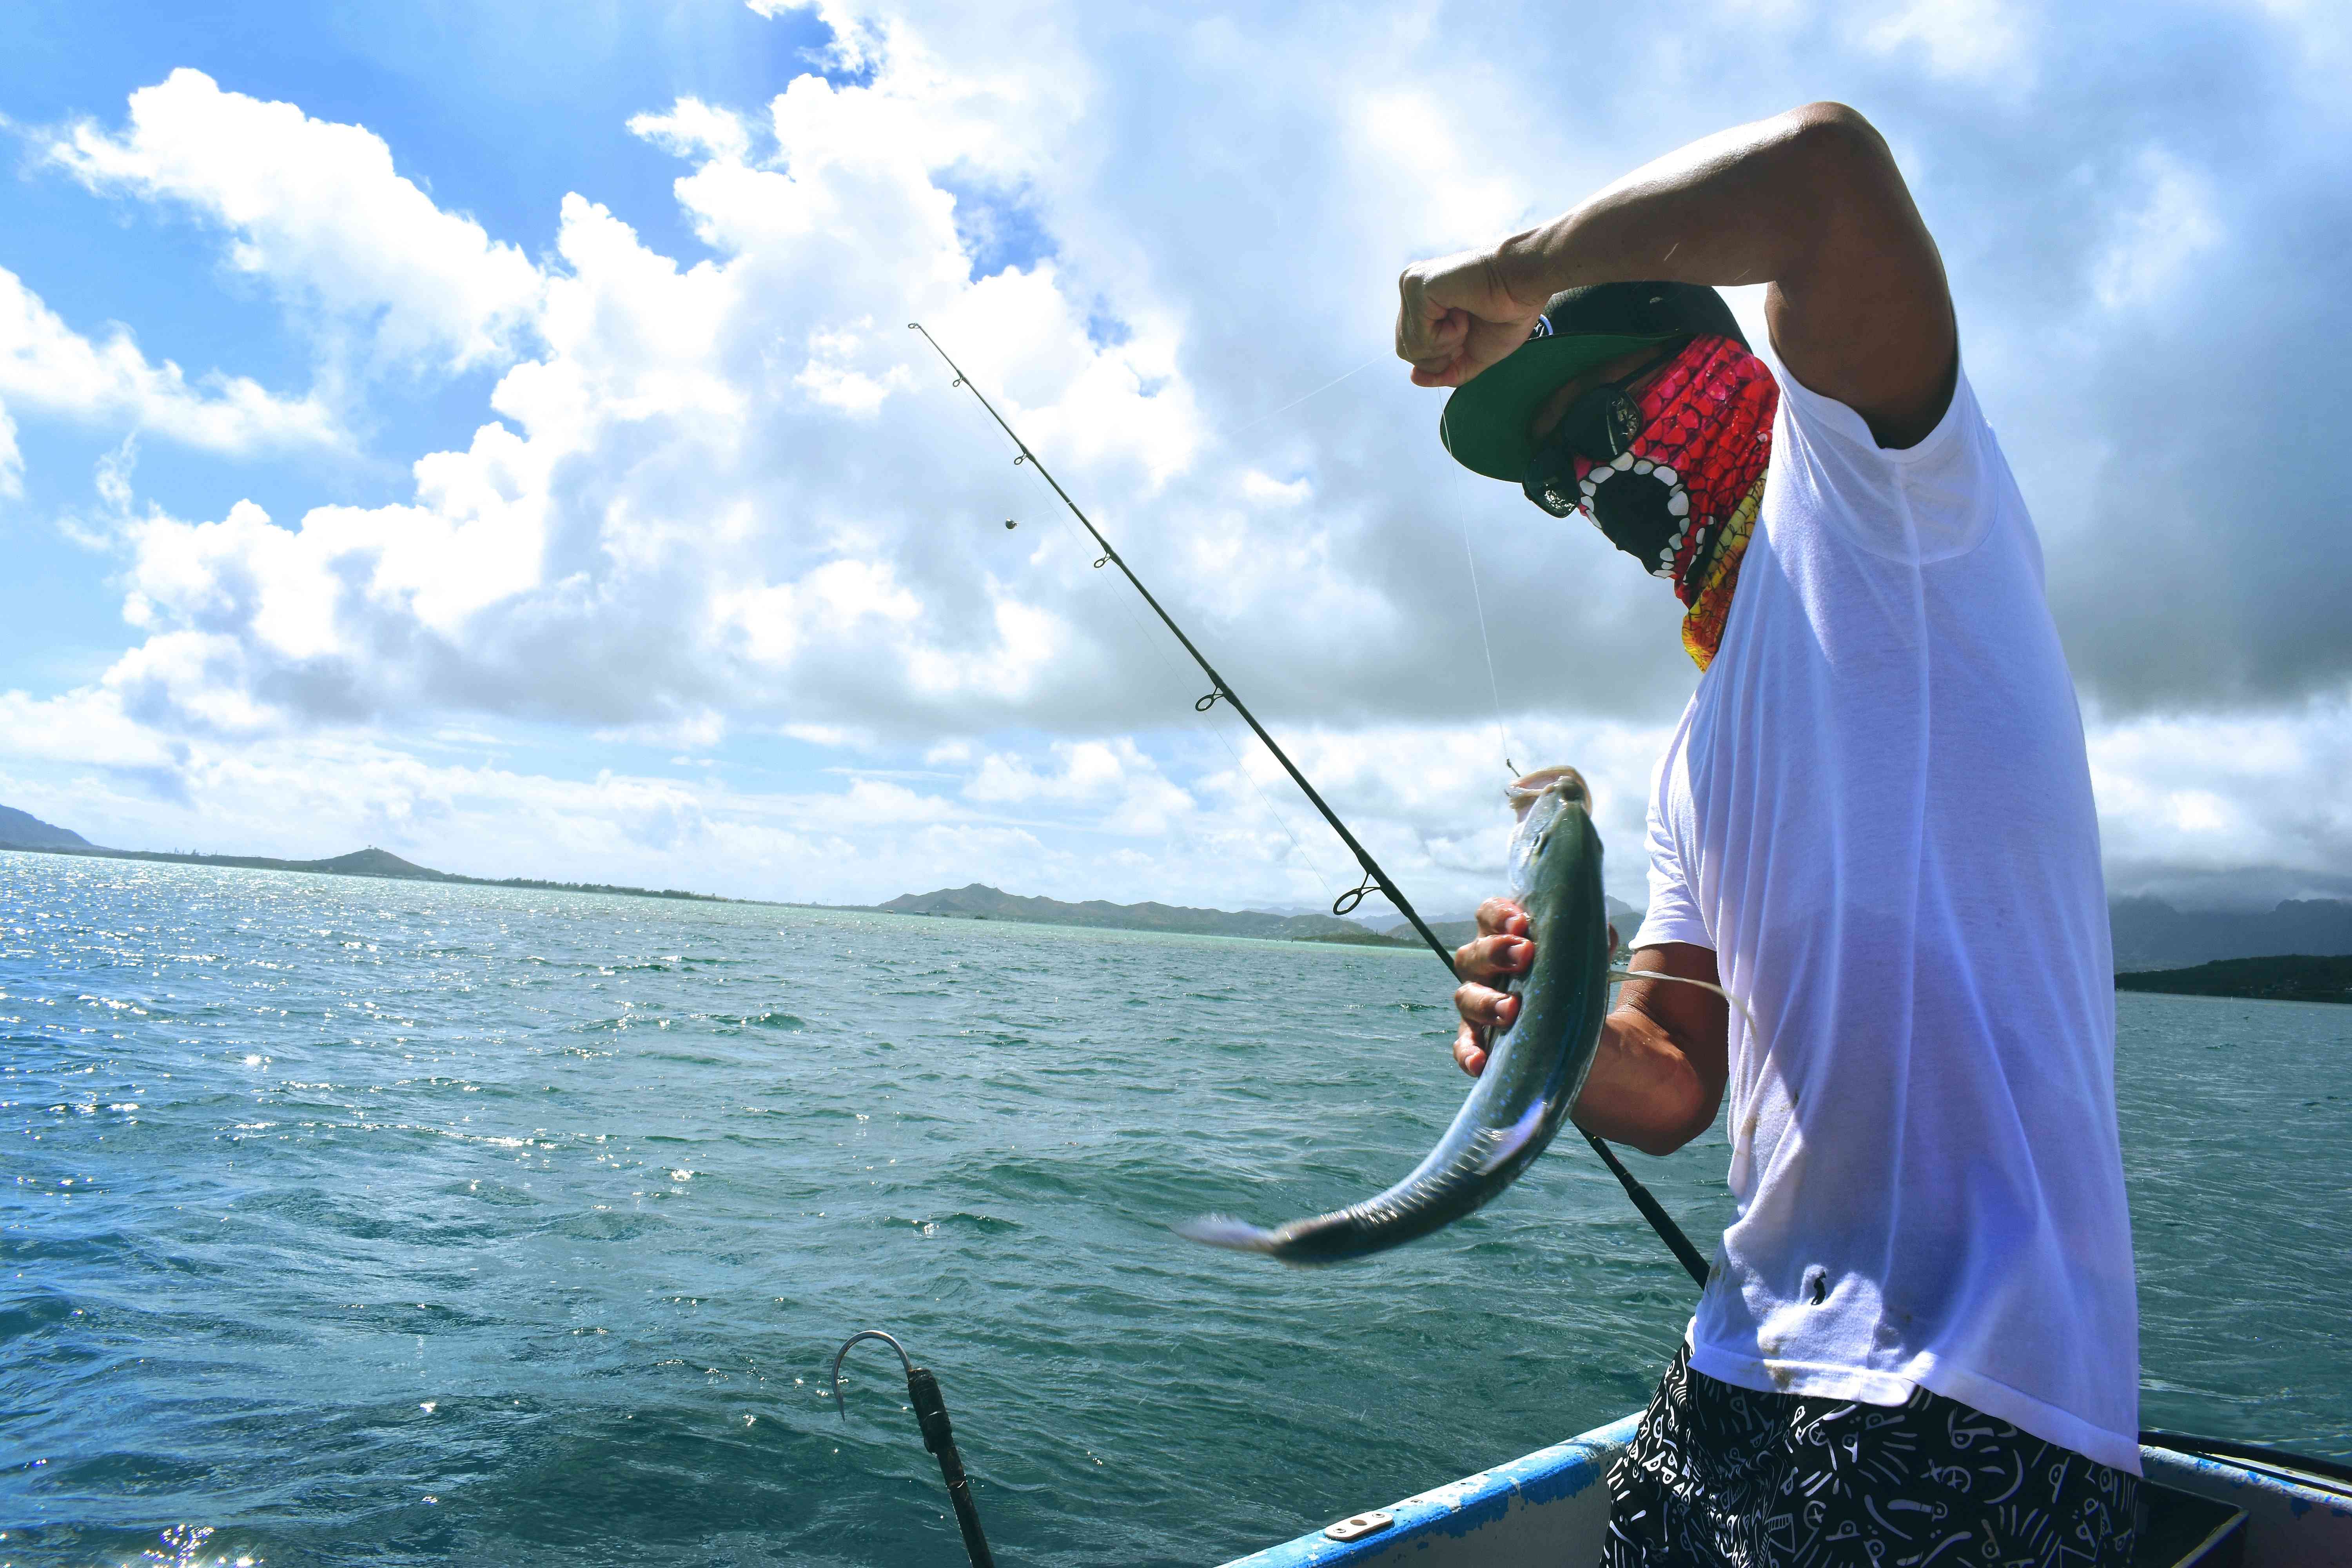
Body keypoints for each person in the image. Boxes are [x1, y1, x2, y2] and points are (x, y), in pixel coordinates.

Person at [1395, 103, 2140, 1567]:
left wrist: (1518, 267)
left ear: (1720, 372)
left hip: (1973, 1396)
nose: (1593, 491)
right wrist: (1546, 1021)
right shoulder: (1692, 750)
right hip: (1737, 1370)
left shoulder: (1887, 497)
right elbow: (1673, 1083)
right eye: (1561, 476)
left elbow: (1824, 177)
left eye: (1600, 422)